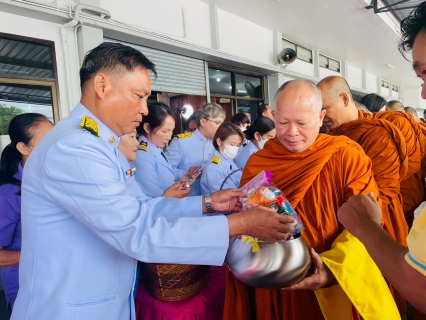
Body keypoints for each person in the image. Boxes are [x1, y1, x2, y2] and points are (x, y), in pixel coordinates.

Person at [11, 42, 296, 320]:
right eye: (138, 96)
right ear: (102, 86)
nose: (145, 109)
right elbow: (137, 230)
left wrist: (208, 204)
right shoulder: (74, 147)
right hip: (68, 308)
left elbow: (143, 208)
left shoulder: (100, 144)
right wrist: (240, 224)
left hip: (100, 301)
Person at [224, 80, 390, 320]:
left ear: (321, 117)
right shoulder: (259, 162)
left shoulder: (346, 155)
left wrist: (333, 269)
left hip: (330, 275)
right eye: (282, 123)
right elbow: (246, 222)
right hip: (274, 276)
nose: (292, 133)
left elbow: (366, 222)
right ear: (273, 115)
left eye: (302, 123)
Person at [337, 3, 426, 317]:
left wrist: (364, 227)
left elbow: (422, 288)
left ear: (345, 100)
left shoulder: (378, 134)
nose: (425, 93)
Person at [319, 76, 409, 246]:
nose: (322, 118)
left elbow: (378, 195)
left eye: (325, 109)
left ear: (344, 99)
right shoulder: (327, 137)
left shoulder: (376, 135)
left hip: (376, 226)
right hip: (338, 221)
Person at [0, 113, 53, 312]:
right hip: (27, 289)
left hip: (56, 282)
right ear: (24, 148)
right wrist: (40, 254)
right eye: (47, 140)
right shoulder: (9, 195)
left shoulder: (54, 182)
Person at [166, 103, 225, 196]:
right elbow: (167, 170)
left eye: (222, 123)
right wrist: (186, 173)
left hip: (212, 200)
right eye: (217, 123)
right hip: (188, 199)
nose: (221, 127)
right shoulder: (181, 142)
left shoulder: (219, 144)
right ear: (203, 122)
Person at [133, 102, 190, 198]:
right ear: (147, 127)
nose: (169, 137)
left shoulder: (156, 147)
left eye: (171, 131)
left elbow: (166, 172)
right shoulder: (142, 155)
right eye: (164, 131)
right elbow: (153, 196)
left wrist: (185, 175)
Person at [201, 123, 244, 195]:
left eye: (237, 145)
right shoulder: (214, 168)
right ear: (219, 142)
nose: (235, 148)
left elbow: (239, 179)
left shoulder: (228, 160)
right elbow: (223, 196)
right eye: (232, 144)